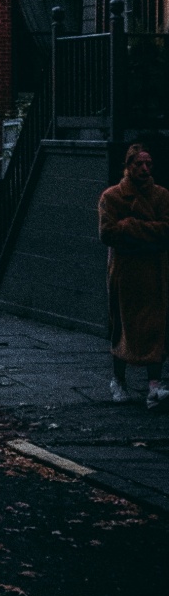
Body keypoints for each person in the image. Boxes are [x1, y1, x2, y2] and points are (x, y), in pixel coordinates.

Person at [99, 141, 169, 406]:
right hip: (125, 271)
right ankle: (119, 381)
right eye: (138, 163)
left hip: (155, 270)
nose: (144, 168)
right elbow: (107, 233)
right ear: (127, 166)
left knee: (156, 324)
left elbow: (167, 230)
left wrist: (129, 226)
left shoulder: (162, 196)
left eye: (148, 163)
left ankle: (154, 385)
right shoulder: (112, 197)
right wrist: (145, 232)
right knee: (123, 324)